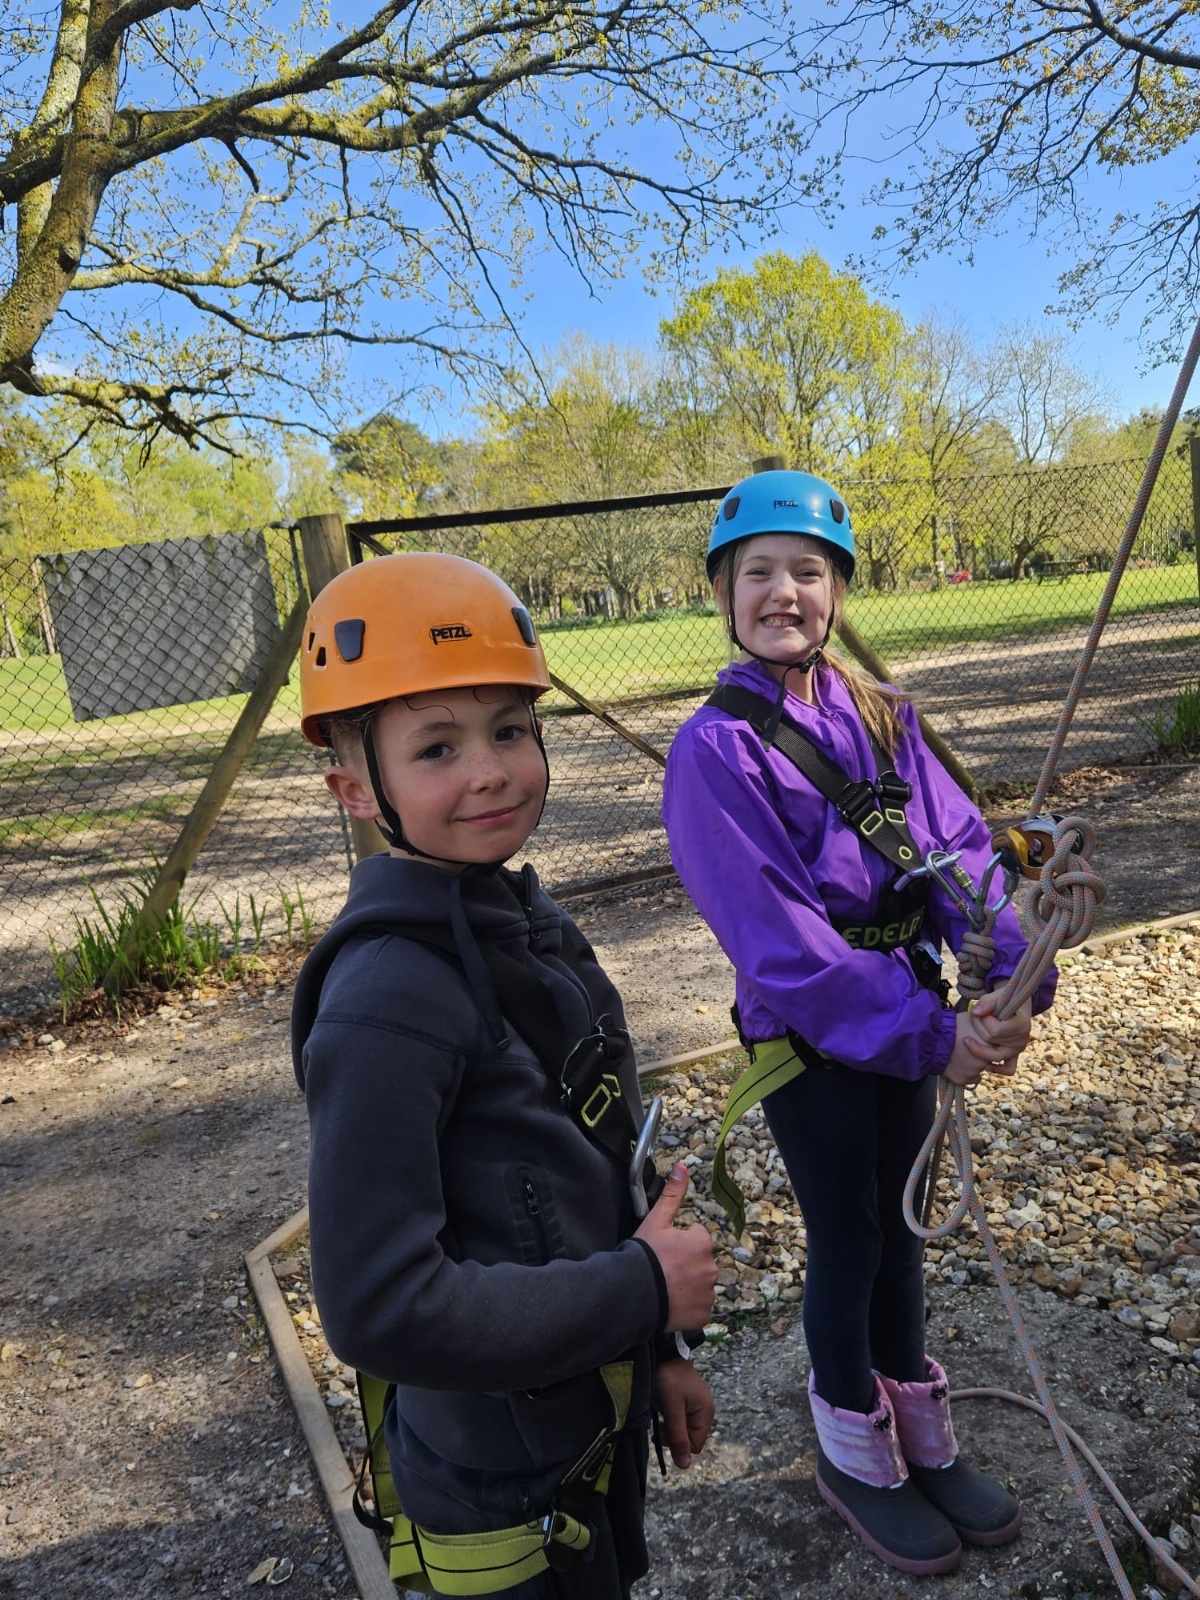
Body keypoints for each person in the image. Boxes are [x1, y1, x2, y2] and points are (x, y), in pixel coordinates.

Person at [290, 552, 717, 1599]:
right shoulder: (385, 1005)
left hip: (585, 1417)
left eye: (511, 730)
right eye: (437, 746)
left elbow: (601, 1156)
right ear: (356, 790)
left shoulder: (526, 920)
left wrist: (658, 1343)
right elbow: (380, 1305)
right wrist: (638, 1289)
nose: (489, 771)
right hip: (499, 1488)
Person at [662, 470, 1056, 1577]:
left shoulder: (884, 717)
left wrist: (1011, 974)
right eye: (758, 573)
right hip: (811, 1034)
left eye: (808, 571)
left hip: (908, 1008)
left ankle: (918, 1429)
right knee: (851, 1234)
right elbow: (781, 944)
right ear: (723, 594)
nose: (783, 592)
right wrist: (935, 1036)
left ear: (837, 592)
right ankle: (852, 1445)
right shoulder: (715, 751)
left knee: (904, 1224)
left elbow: (958, 852)